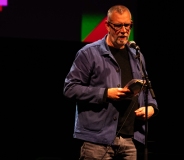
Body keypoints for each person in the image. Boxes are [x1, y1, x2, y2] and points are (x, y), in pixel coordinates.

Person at [63, 4, 158, 160]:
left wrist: (151, 107)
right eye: (118, 26)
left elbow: (148, 90)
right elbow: (70, 88)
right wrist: (106, 94)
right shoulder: (88, 53)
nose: (123, 30)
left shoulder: (137, 55)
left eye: (127, 25)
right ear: (107, 26)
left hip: (129, 139)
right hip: (97, 141)